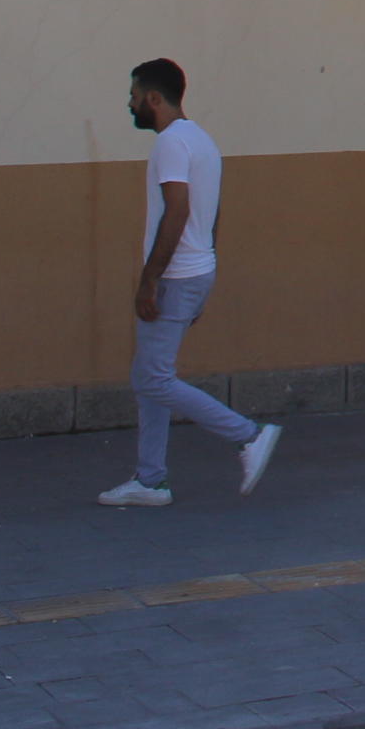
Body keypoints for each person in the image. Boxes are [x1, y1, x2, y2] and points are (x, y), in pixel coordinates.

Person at [96, 59, 282, 506]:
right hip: (196, 271)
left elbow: (177, 212)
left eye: (134, 95)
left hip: (176, 277)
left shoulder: (171, 144)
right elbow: (209, 214)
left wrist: (149, 282)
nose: (130, 103)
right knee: (148, 375)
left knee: (155, 378)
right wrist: (206, 268)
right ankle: (150, 479)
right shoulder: (202, 140)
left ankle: (248, 436)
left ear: (154, 99)